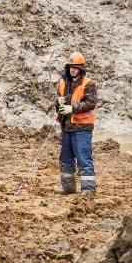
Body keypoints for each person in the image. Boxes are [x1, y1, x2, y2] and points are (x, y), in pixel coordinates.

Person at [56, 51, 99, 195]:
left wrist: (72, 108)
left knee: (83, 158)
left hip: (82, 127)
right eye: (70, 67)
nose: (72, 70)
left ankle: (88, 190)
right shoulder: (63, 82)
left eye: (75, 67)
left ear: (81, 69)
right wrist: (59, 102)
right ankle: (68, 188)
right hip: (67, 126)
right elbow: (59, 101)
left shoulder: (88, 84)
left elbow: (91, 103)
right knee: (66, 158)